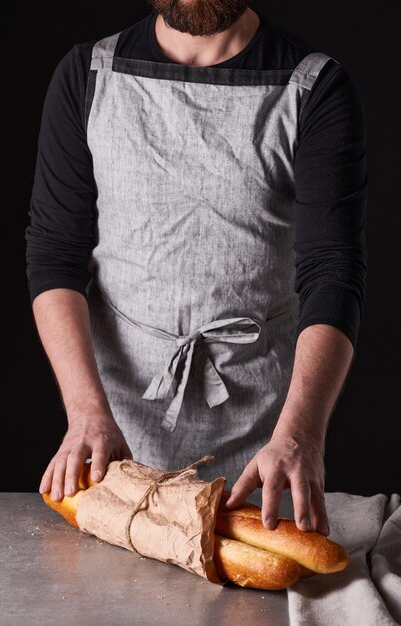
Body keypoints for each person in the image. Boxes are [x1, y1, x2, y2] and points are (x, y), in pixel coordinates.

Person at [25, 0, 367, 536]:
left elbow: (333, 271)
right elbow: (55, 256)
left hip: (265, 452)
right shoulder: (89, 75)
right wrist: (86, 412)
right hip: (114, 444)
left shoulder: (312, 86)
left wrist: (300, 436)